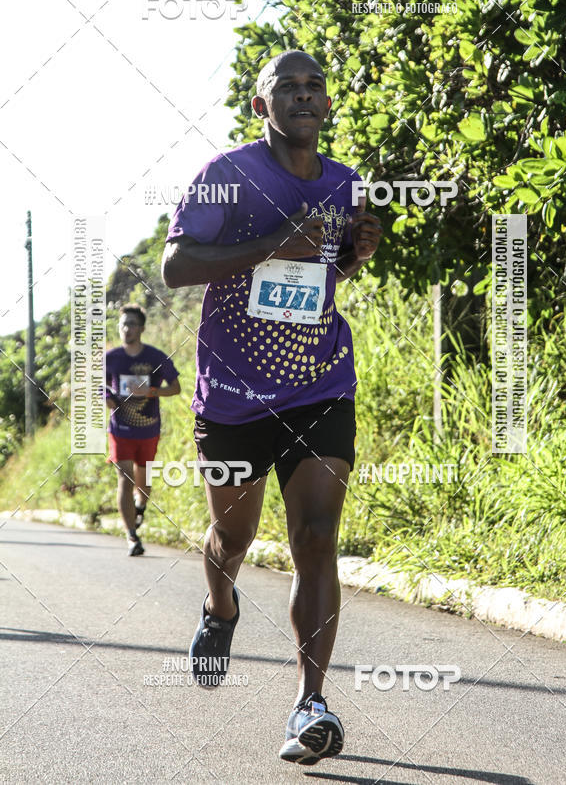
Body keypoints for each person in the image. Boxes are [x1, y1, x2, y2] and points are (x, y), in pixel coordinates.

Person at [162, 49, 382, 765]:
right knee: (234, 539)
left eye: (315, 84)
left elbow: (319, 278)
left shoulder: (347, 185)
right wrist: (267, 245)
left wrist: (352, 257)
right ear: (261, 106)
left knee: (316, 537)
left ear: (327, 103)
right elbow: (176, 266)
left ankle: (309, 704)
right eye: (285, 86)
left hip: (319, 383)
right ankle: (219, 607)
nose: (303, 94)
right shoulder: (226, 178)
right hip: (233, 398)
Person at [105, 304, 181, 556]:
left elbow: (176, 387)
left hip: (148, 429)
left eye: (131, 324)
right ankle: (131, 536)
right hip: (120, 429)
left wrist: (151, 391)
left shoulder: (156, 357)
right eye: (123, 324)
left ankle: (140, 507)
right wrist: (106, 396)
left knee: (143, 480)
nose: (126, 329)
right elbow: (97, 385)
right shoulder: (111, 358)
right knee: (124, 479)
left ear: (142, 328)